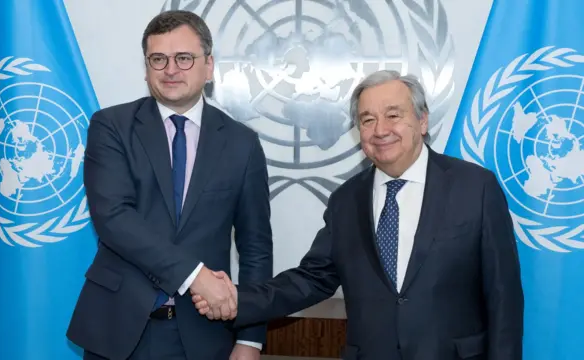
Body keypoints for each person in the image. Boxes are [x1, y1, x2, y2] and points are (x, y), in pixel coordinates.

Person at [194, 70, 524, 360]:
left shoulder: (475, 187)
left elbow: (503, 297)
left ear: (422, 120)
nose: (380, 129)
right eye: (367, 119)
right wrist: (239, 298)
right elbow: (311, 279)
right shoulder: (346, 201)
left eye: (393, 115)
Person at [66, 10, 273, 360]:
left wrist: (250, 339)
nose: (170, 69)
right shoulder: (111, 126)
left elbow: (255, 247)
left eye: (184, 58)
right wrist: (195, 276)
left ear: (209, 66)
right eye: (158, 59)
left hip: (205, 336)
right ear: (146, 67)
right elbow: (114, 218)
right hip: (119, 330)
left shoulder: (242, 143)